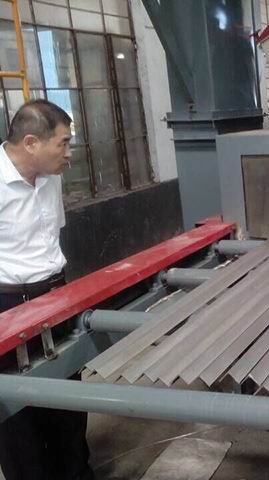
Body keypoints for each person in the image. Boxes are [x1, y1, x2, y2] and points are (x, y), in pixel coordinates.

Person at [0, 100, 94, 479]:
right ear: (31, 143)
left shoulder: (51, 176)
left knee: (68, 401)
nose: (69, 153)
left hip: (56, 296)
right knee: (17, 416)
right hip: (8, 305)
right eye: (63, 143)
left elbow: (50, 241)